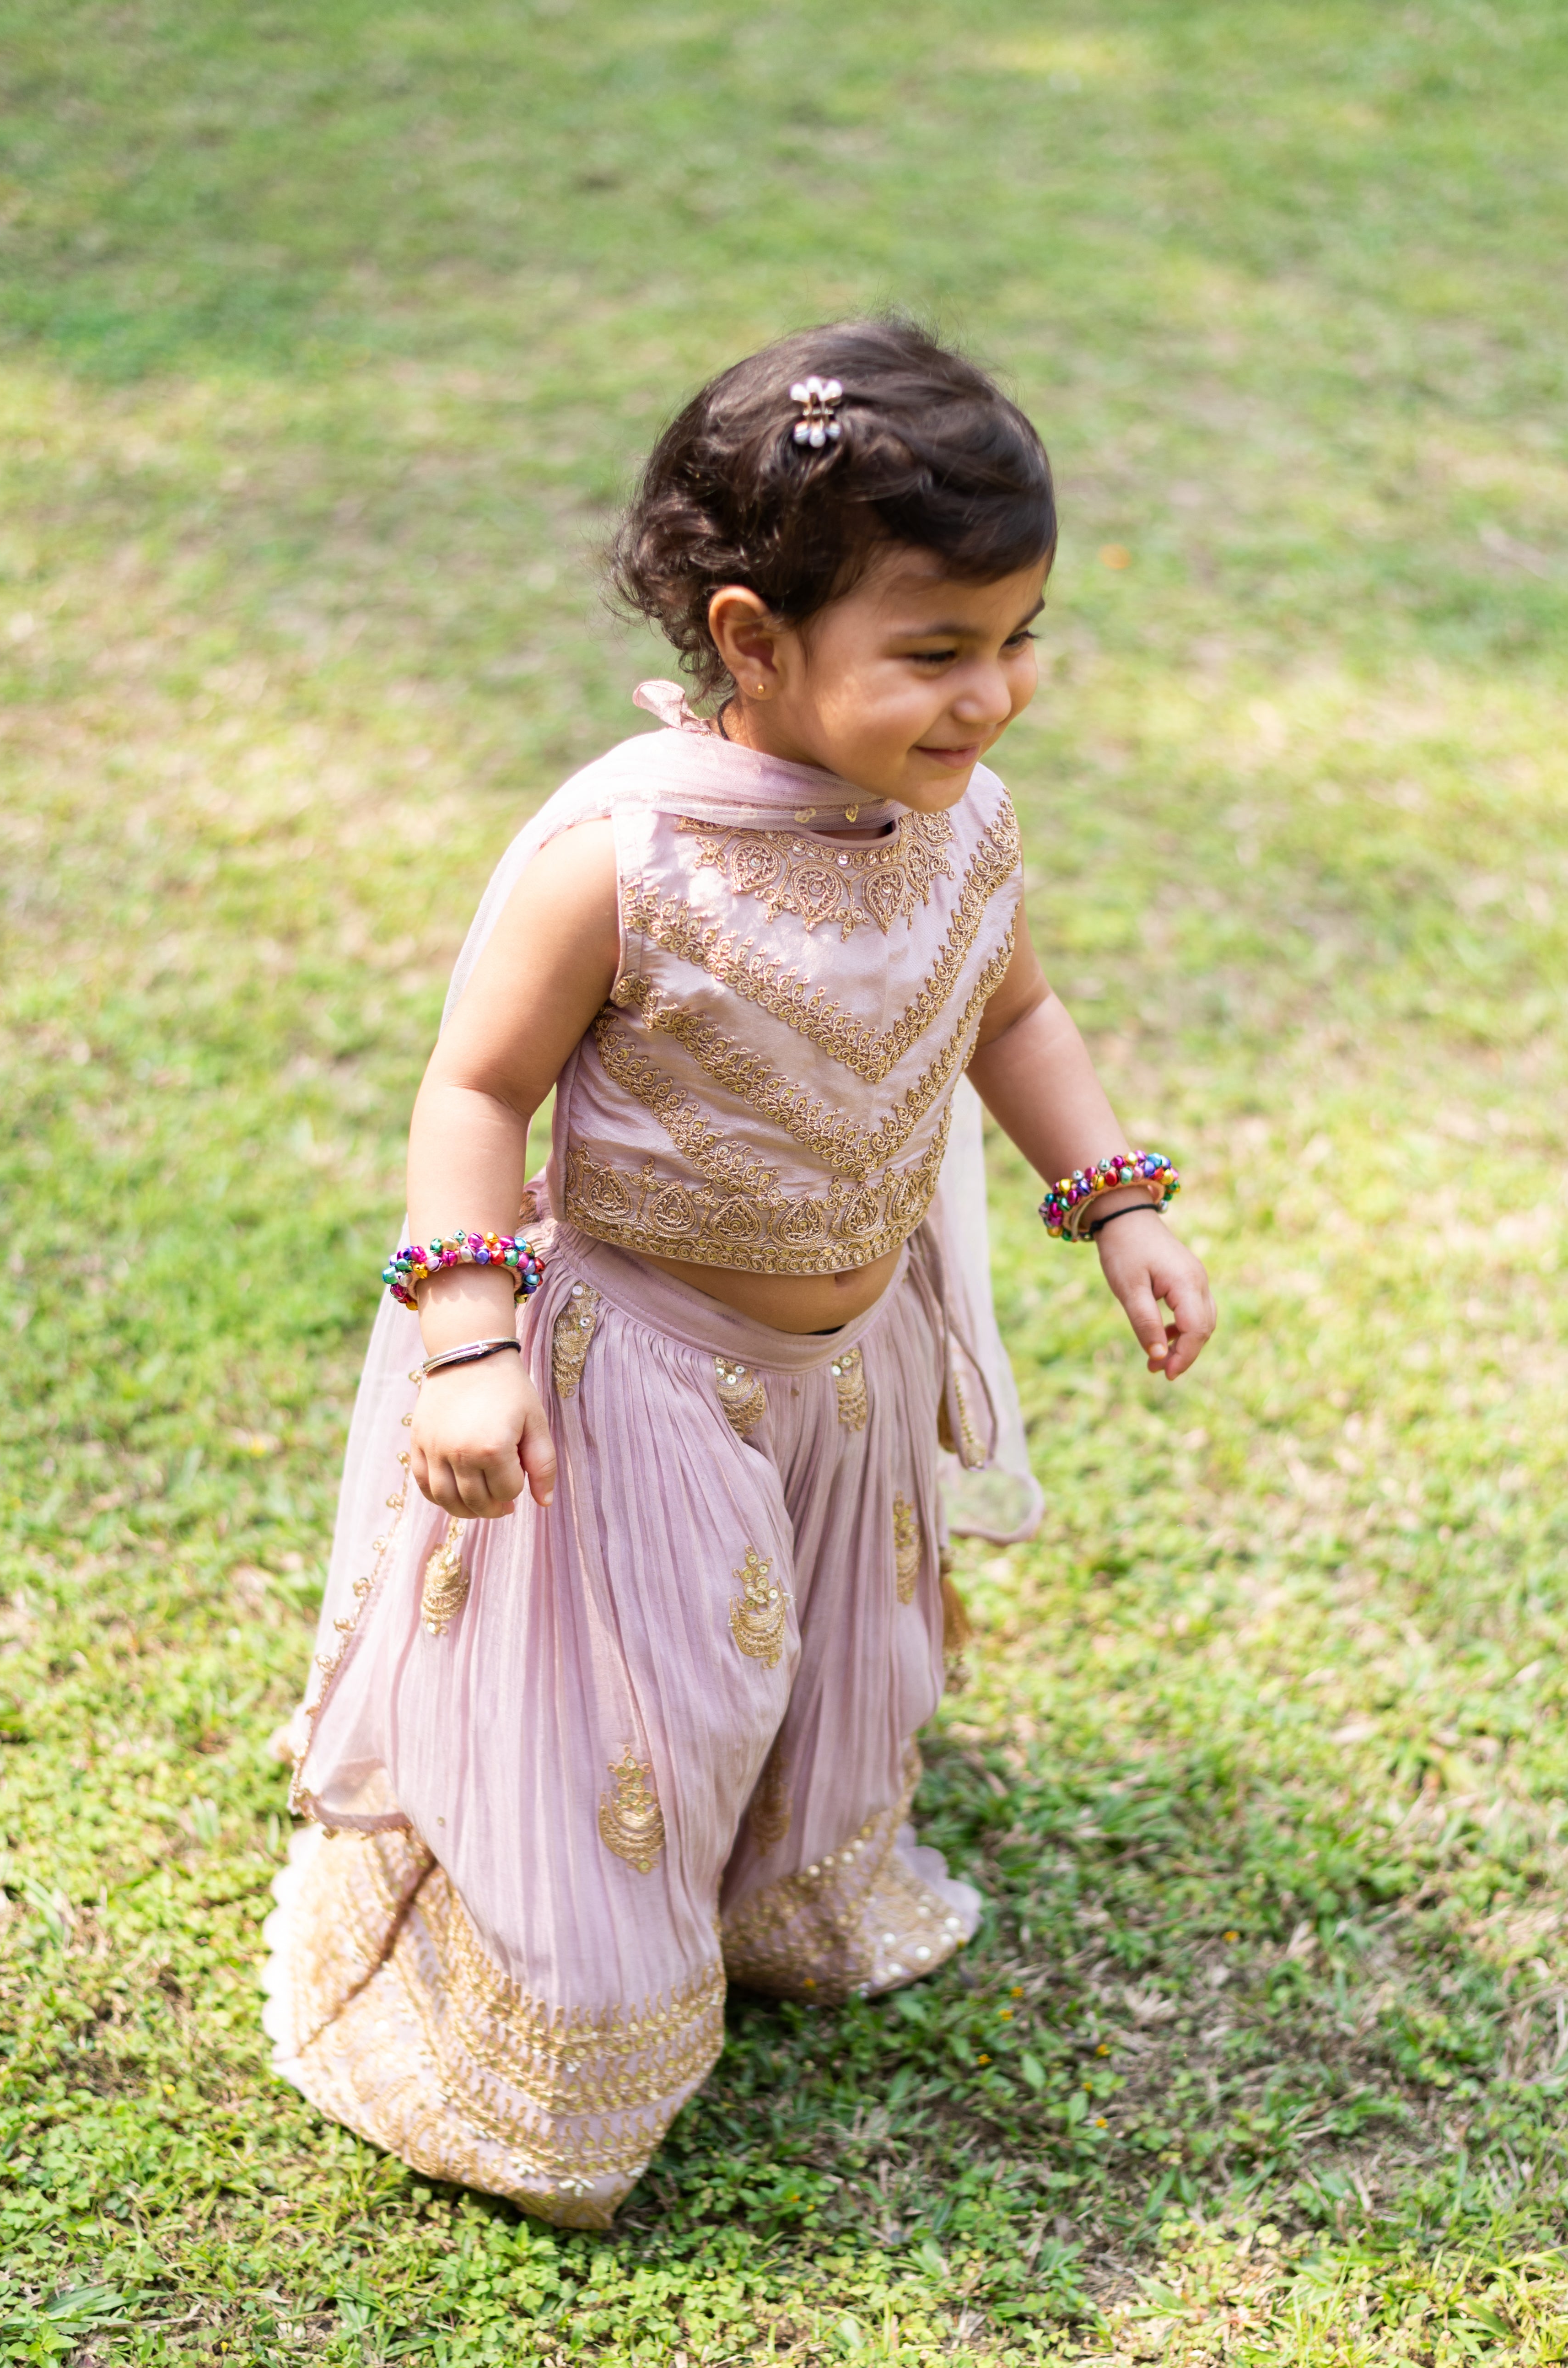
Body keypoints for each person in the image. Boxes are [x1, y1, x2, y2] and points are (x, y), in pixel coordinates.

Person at [262, 320, 1216, 2228]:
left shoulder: (964, 824)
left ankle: (787, 1883)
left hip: (847, 1368)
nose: (995, 695)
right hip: (639, 1375)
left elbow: (1012, 1012)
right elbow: (476, 1084)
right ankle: (561, 2009)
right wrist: (468, 1341)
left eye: (1022, 635)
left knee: (818, 1677)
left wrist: (1113, 1200)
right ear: (750, 638)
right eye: (936, 652)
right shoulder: (622, 850)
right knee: (655, 1715)